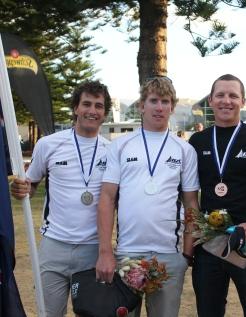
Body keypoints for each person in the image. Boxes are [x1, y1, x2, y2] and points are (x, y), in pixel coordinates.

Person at [95, 77, 199, 317]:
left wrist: (186, 253)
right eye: (153, 101)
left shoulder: (184, 150)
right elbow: (107, 199)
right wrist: (106, 252)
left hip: (169, 256)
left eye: (165, 101)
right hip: (126, 254)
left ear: (172, 107)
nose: (159, 107)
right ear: (142, 105)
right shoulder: (120, 146)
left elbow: (191, 202)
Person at [10, 81, 112, 317]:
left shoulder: (112, 151)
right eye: (86, 104)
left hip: (92, 250)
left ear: (104, 113)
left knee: (92, 313)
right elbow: (31, 184)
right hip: (54, 246)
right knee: (48, 313)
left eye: (98, 106)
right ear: (76, 108)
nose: (92, 111)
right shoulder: (49, 144)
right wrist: (21, 189)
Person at [189, 74, 246, 317]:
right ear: (211, 100)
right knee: (208, 311)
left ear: (243, 101)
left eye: (232, 95)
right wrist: (195, 229)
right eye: (220, 95)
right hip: (208, 246)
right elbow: (188, 194)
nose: (226, 101)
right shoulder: (196, 142)